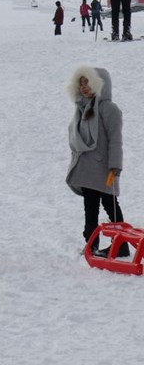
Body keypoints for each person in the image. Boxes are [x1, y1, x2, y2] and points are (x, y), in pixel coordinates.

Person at [66, 66, 128, 257]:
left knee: (111, 206)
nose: (84, 87)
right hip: (87, 169)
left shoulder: (109, 109)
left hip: (104, 168)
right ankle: (91, 244)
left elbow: (115, 139)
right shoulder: (82, 107)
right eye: (81, 83)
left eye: (88, 82)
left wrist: (115, 165)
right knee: (90, 207)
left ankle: (121, 244)